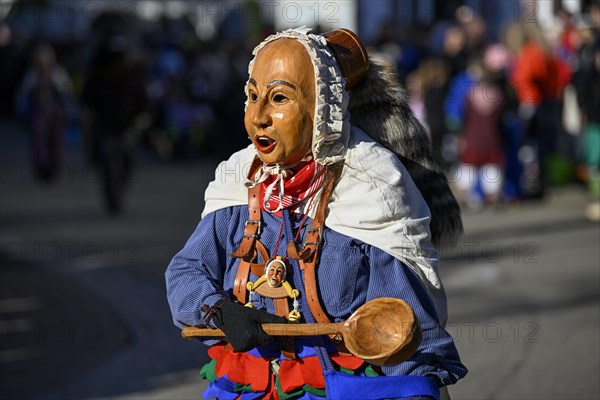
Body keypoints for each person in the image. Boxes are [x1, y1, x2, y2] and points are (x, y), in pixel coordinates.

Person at [166, 27, 467, 400]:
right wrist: (218, 311)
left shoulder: (370, 182)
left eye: (278, 98)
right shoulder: (237, 179)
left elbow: (404, 331)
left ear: (322, 109)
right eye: (252, 96)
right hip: (247, 388)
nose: (258, 116)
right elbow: (185, 271)